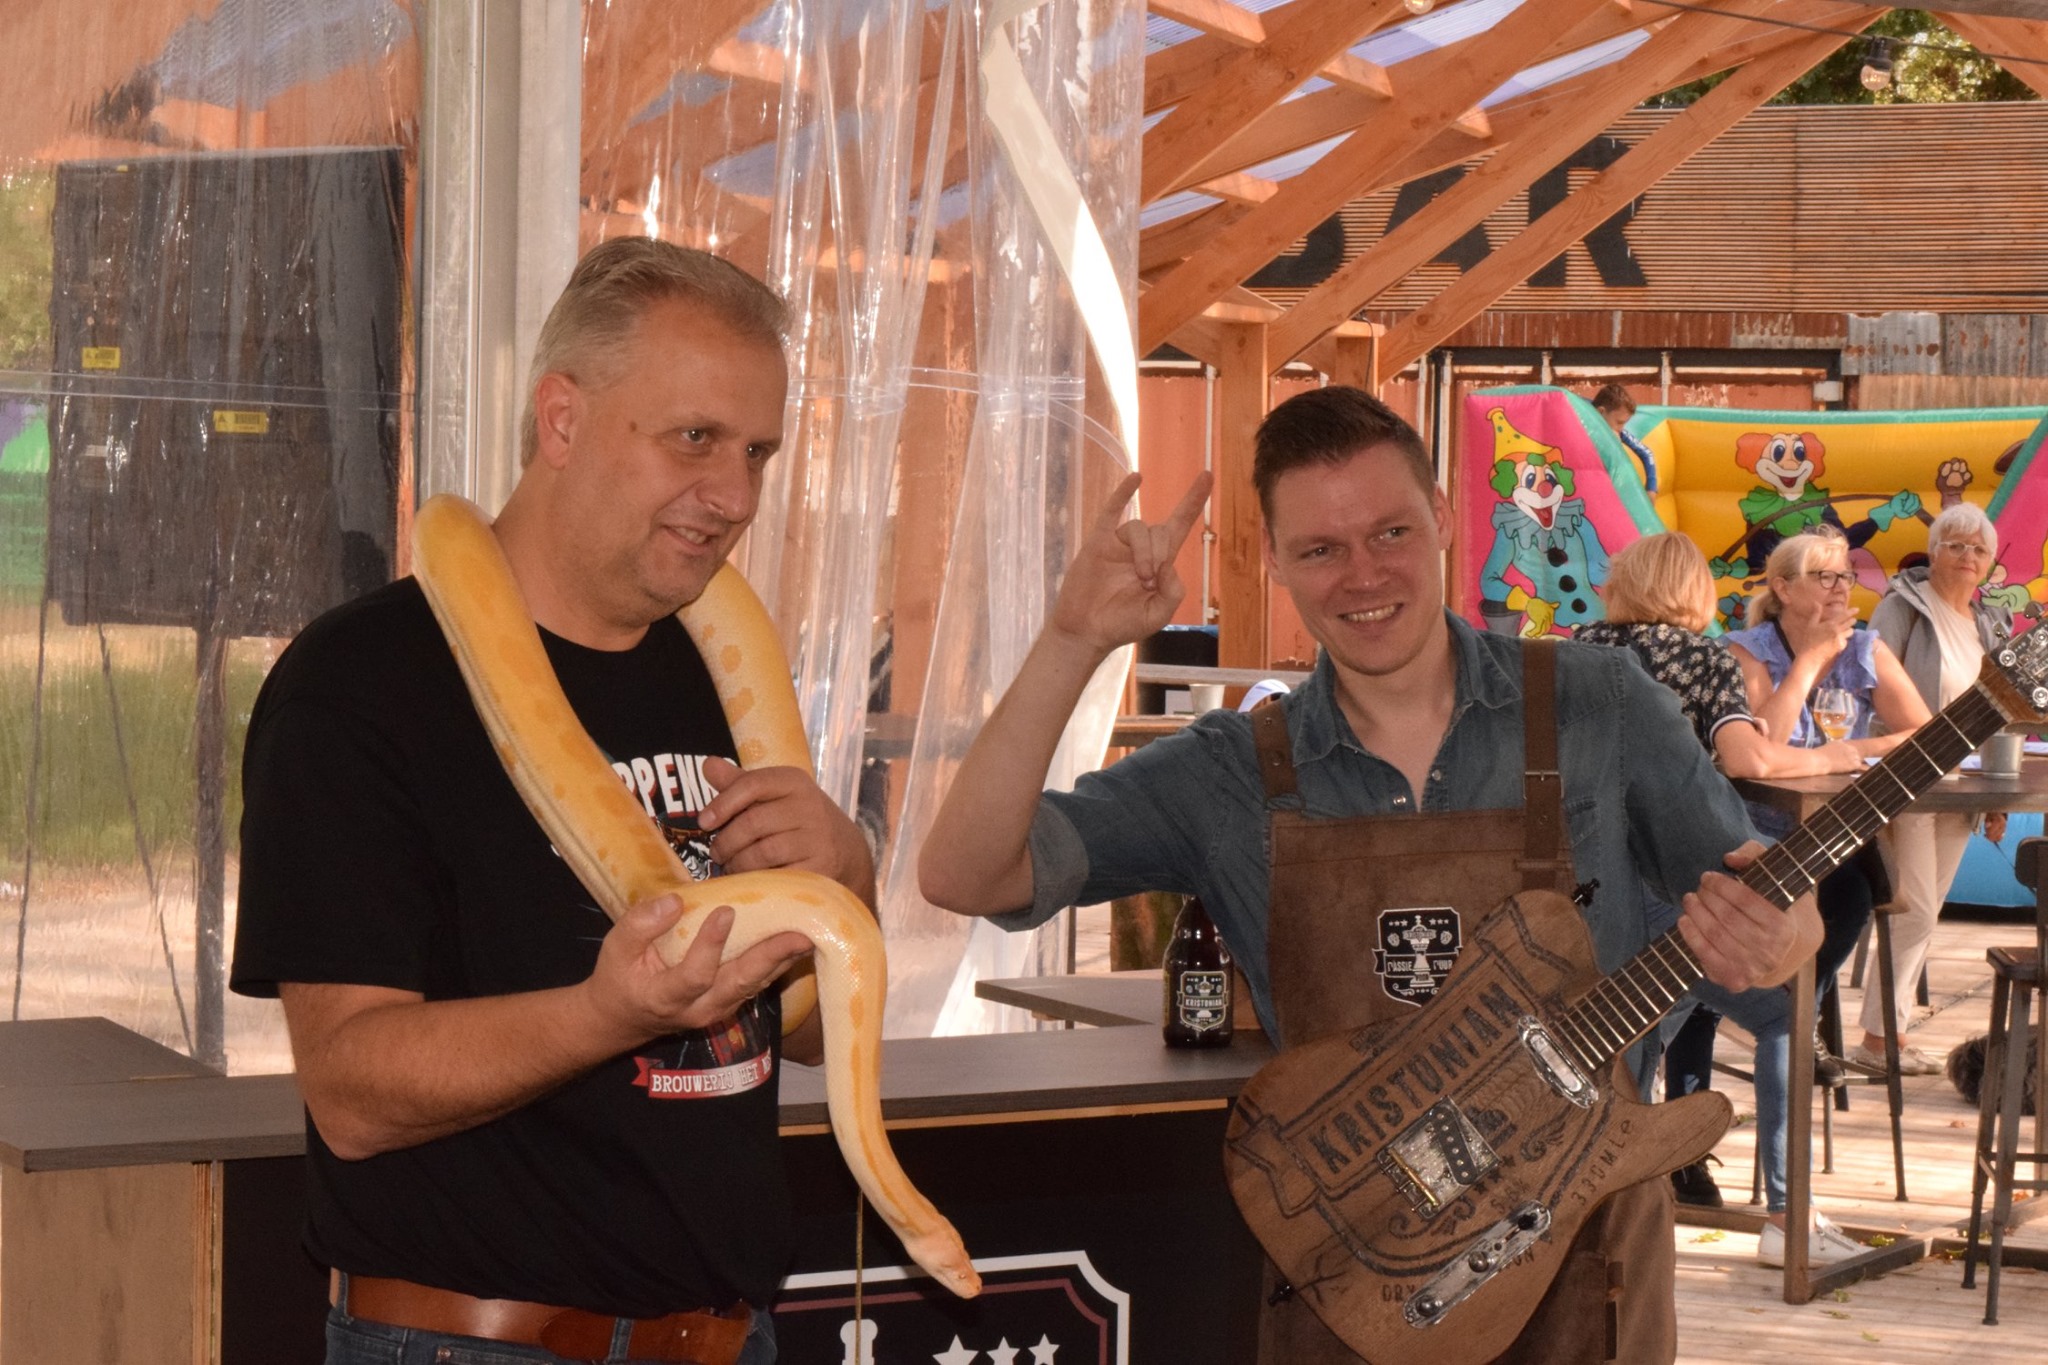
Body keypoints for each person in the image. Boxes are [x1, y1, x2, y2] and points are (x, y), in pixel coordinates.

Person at [919, 387, 1819, 1364]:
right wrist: (1071, 642)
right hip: (1352, 1284)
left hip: (1583, 1277)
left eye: (1389, 531)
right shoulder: (1227, 773)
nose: (1361, 576)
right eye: (1319, 549)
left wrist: (1786, 932)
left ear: (1441, 517)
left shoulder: (1597, 706)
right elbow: (966, 873)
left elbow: (1762, 902)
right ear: (1273, 560)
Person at [230, 238, 875, 1365]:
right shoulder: (363, 684)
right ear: (562, 421)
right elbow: (351, 1090)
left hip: (732, 1337)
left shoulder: (718, 676)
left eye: (758, 453)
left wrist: (843, 879)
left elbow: (789, 1033)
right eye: (694, 439)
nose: (732, 497)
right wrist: (608, 1012)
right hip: (475, 1344)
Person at [1576, 533, 1866, 1265]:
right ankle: (1783, 1216)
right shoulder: (1704, 658)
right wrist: (1832, 754)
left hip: (1574, 896)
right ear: (1696, 592)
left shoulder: (1570, 649)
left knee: (1643, 1028)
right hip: (1674, 889)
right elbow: (1748, 756)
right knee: (1785, 1012)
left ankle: (1611, 1195)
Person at [1724, 531, 1937, 1080]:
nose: (1841, 587)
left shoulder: (1866, 649)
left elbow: (1922, 734)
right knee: (1811, 885)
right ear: (1782, 588)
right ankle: (1788, 1021)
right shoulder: (1746, 650)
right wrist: (1812, 659)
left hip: (1836, 829)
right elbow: (1762, 745)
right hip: (1758, 828)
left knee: (1856, 891)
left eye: (1845, 575)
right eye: (1824, 576)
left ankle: (1801, 1015)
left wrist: (1854, 751)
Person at [1864, 502, 2013, 1074]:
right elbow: (1870, 681)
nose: (1966, 556)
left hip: (1966, 782)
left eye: (1978, 548)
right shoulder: (1902, 606)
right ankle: (1879, 1042)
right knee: (1915, 909)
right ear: (1933, 552)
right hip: (1906, 775)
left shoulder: (1989, 622)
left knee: (1928, 908)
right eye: (1955, 545)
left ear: (1990, 562)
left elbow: (2003, 707)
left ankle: (1889, 1035)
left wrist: (1996, 795)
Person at [1591, 381, 1658, 493]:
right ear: (1600, 412)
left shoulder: (1618, 432)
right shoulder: (1578, 420)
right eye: (1619, 422)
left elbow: (1647, 453)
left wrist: (1651, 488)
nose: (1621, 428)